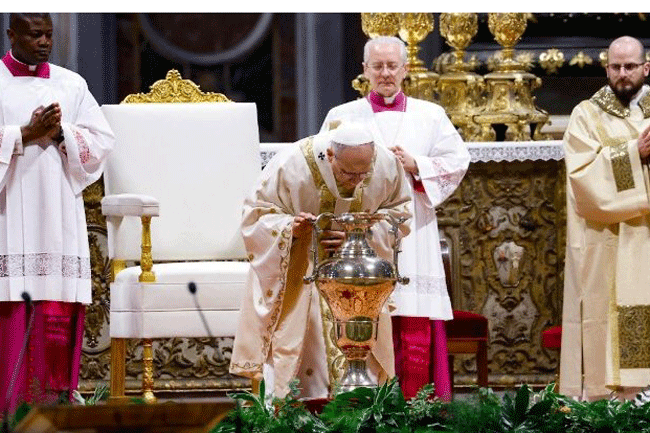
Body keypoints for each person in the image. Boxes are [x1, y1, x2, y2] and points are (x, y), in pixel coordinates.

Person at [320, 36, 470, 400]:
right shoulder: (342, 116)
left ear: (405, 69)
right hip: (361, 233)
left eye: (392, 66)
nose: (385, 73)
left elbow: (457, 161)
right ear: (365, 70)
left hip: (413, 229)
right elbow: (322, 166)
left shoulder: (430, 115)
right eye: (378, 66)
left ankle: (419, 403)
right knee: (365, 310)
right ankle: (366, 400)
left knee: (413, 306)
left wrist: (417, 164)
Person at [229, 122, 412, 399]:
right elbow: (256, 217)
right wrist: (291, 228)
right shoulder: (292, 164)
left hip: (359, 276)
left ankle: (360, 408)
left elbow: (400, 216)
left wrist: (358, 235)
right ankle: (298, 407)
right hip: (303, 270)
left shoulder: (386, 165)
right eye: (348, 173)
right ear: (330, 155)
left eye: (363, 173)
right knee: (306, 338)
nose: (357, 181)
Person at [0, 13, 114, 413]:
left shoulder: (71, 84)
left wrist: (62, 132)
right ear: (12, 34)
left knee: (56, 303)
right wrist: (24, 134)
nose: (44, 42)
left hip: (58, 210)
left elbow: (102, 142)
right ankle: (9, 409)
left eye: (48, 34)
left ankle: (55, 406)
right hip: (9, 210)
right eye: (35, 35)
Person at [561, 35, 650, 401]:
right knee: (605, 313)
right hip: (608, 240)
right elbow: (581, 178)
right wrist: (634, 153)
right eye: (616, 67)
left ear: (646, 68)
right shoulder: (587, 114)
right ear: (607, 68)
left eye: (630, 66)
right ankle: (613, 401)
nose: (622, 74)